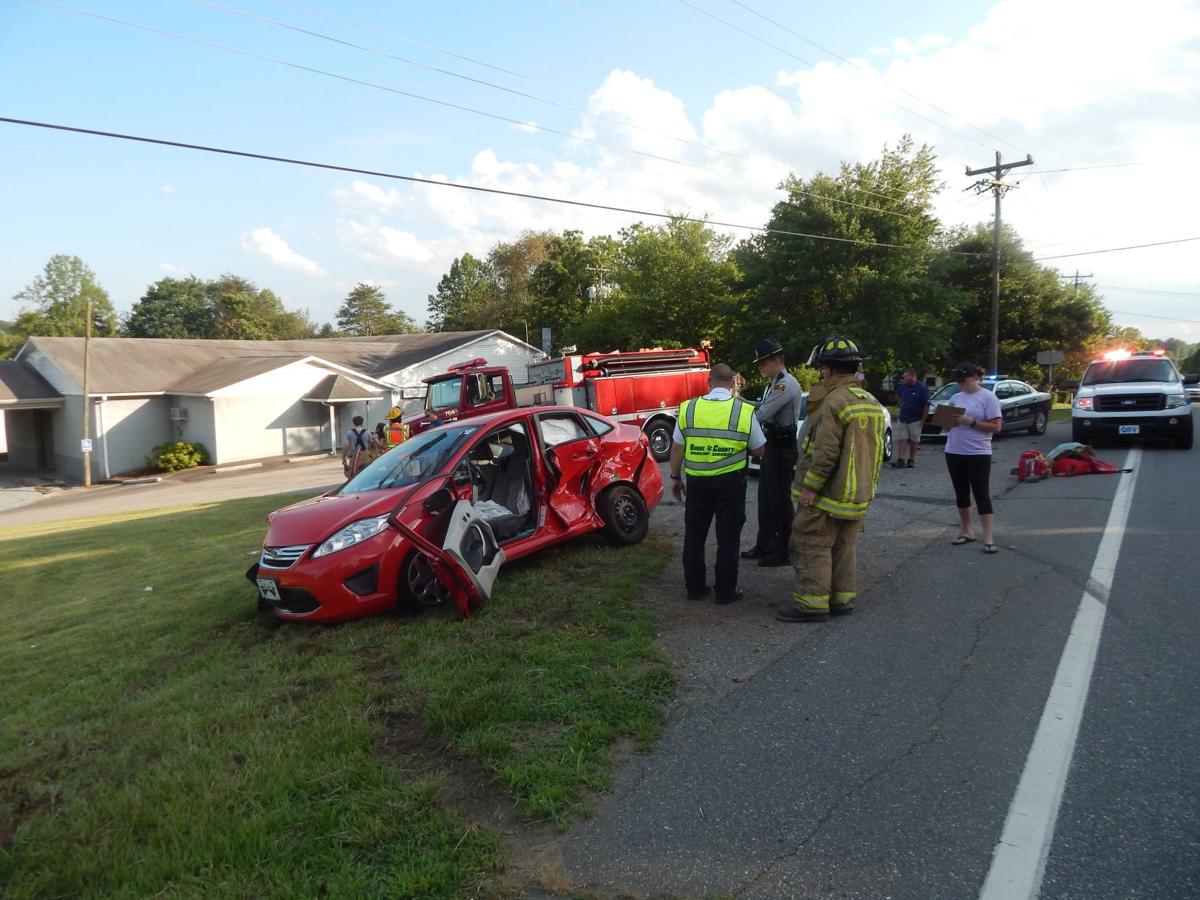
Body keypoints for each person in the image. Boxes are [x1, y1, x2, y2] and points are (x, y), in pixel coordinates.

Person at [778, 336, 886, 623]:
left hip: (827, 493)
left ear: (828, 369)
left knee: (811, 543)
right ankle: (842, 600)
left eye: (822, 369)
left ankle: (811, 605)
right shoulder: (870, 401)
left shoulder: (833, 401)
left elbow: (825, 452)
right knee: (843, 548)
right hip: (857, 494)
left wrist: (810, 488)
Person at [670, 363, 766, 604]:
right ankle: (725, 591)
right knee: (728, 537)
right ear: (733, 383)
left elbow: (677, 447)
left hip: (697, 483)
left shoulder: (689, 408)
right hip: (730, 484)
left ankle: (695, 588)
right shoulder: (743, 411)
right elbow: (759, 449)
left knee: (694, 536)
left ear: (708, 382)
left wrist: (674, 478)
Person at [742, 338, 803, 567]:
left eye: (763, 363)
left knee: (780, 500)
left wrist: (742, 412)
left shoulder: (785, 385)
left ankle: (784, 550)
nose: (760, 367)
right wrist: (742, 402)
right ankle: (765, 543)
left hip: (782, 448)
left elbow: (763, 414)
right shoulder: (774, 383)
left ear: (776, 360)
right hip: (772, 446)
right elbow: (760, 407)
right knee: (766, 499)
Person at [942, 362, 1003, 554]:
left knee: (981, 493)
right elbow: (945, 425)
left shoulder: (988, 397)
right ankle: (966, 530)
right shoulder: (955, 397)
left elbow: (996, 427)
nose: (961, 385)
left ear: (975, 377)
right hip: (954, 450)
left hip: (978, 452)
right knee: (961, 492)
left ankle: (988, 537)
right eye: (959, 382)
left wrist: (971, 422)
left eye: (964, 381)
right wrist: (946, 422)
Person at [893, 368, 931, 468]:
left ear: (913, 376)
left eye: (906, 376)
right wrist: (900, 402)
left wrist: (923, 419)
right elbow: (897, 394)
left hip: (915, 418)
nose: (904, 378)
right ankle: (900, 459)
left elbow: (926, 405)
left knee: (914, 440)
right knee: (902, 438)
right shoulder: (902, 386)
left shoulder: (922, 388)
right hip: (903, 417)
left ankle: (911, 459)